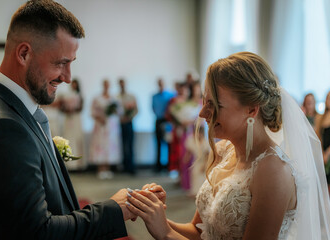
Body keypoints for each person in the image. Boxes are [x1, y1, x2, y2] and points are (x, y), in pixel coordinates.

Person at [0, 1, 134, 239]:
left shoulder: (17, 109)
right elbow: (37, 232)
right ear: (24, 53)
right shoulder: (2, 126)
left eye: (70, 64)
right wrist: (113, 211)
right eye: (61, 63)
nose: (67, 78)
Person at [125, 52, 330, 239]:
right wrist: (154, 215)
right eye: (204, 101)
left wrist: (165, 233)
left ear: (251, 110)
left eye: (214, 105)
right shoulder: (224, 150)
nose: (202, 113)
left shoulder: (273, 170)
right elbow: (200, 232)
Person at [90, 79, 121, 179]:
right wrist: (100, 118)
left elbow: (119, 111)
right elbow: (92, 111)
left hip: (110, 126)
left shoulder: (113, 98)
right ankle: (101, 168)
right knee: (100, 145)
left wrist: (114, 111)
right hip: (100, 125)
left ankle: (107, 168)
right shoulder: (97, 98)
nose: (106, 86)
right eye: (105, 84)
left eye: (108, 84)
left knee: (109, 145)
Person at [59, 78, 86, 171]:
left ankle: (78, 164)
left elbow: (81, 107)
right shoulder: (67, 95)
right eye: (72, 84)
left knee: (77, 138)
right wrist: (67, 109)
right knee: (68, 139)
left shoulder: (80, 95)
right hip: (68, 119)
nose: (73, 86)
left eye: (75, 84)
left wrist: (73, 109)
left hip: (76, 119)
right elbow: (61, 108)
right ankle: (69, 165)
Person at [152, 78, 175, 172]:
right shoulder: (154, 96)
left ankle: (169, 166)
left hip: (167, 121)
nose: (160, 85)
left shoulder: (170, 95)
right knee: (158, 143)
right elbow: (153, 108)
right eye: (159, 83)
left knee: (168, 143)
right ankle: (158, 166)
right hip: (158, 120)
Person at [117, 78, 138, 175]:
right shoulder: (116, 97)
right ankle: (124, 166)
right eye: (120, 83)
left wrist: (129, 117)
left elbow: (136, 110)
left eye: (123, 83)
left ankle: (131, 166)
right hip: (119, 123)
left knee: (130, 144)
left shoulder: (131, 96)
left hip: (129, 122)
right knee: (121, 144)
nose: (122, 85)